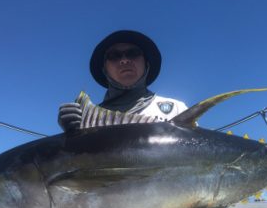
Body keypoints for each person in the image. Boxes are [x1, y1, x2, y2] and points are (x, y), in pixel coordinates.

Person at [58, 30, 188, 132]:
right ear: (104, 70)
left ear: (146, 64)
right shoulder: (85, 120)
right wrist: (71, 137)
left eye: (133, 53)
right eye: (114, 56)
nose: (124, 60)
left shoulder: (176, 109)